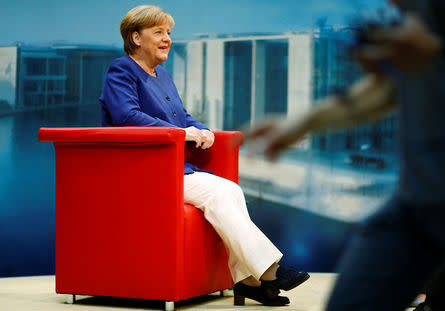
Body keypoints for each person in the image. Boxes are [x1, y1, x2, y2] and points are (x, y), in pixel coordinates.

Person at [99, 5, 309, 307]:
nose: (167, 39)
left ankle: (248, 282)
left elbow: (181, 116)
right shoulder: (121, 69)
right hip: (139, 168)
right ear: (135, 37)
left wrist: (202, 129)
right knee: (218, 193)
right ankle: (270, 272)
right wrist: (184, 134)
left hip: (171, 166)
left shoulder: (162, 75)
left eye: (169, 32)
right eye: (158, 32)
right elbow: (126, 116)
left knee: (230, 190)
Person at [245, 0, 445, 310]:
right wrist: (300, 123)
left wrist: (435, 54)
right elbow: (387, 87)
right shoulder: (417, 14)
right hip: (417, 202)